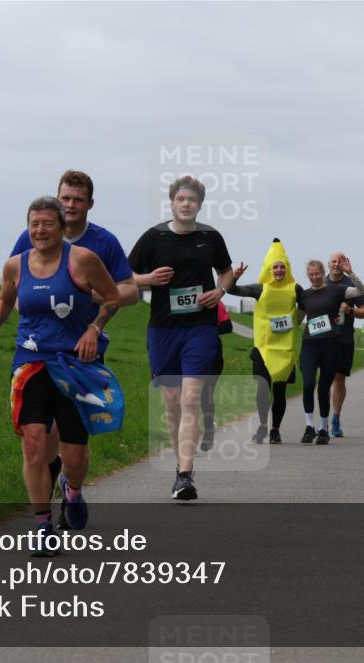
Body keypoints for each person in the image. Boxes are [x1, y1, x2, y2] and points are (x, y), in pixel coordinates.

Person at [0, 196, 122, 556]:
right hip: (30, 364)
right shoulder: (15, 265)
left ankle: (72, 490)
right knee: (33, 444)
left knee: (75, 456)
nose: (40, 230)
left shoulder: (82, 260)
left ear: (61, 227)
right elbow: (5, 298)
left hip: (72, 366)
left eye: (47, 223)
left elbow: (113, 297)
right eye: (34, 224)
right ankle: (43, 527)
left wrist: (93, 328)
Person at [10, 170, 138, 531]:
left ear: (90, 204)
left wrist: (84, 295)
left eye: (77, 200)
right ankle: (44, 517)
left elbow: (128, 291)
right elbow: (16, 284)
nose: (70, 205)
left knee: (72, 447)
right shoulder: (30, 237)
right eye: (65, 198)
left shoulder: (103, 243)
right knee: (40, 438)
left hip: (82, 353)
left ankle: (71, 487)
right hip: (37, 354)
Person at [128, 175, 233, 500]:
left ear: (199, 204)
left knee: (190, 399)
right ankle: (180, 466)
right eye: (181, 199)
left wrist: (220, 291)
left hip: (200, 328)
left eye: (192, 200)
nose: (186, 204)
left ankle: (186, 475)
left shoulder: (210, 237)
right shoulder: (154, 237)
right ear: (172, 203)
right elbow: (124, 275)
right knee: (172, 403)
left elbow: (226, 271)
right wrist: (148, 278)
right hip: (163, 329)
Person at [226, 239, 305, 445]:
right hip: (263, 348)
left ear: (287, 268)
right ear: (269, 269)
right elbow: (232, 290)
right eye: (275, 267)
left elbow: (309, 303)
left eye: (282, 267)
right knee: (262, 390)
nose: (278, 270)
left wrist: (300, 319)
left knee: (279, 392)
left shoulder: (295, 289)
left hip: (284, 350)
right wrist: (235, 277)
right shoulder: (260, 288)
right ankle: (262, 426)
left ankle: (275, 430)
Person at [298, 260, 361, 445]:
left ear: (322, 272)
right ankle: (309, 427)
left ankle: (323, 429)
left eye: (317, 273)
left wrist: (351, 273)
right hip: (310, 345)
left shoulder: (336, 290)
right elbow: (297, 319)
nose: (314, 277)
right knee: (308, 384)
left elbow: (361, 291)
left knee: (323, 388)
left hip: (331, 345)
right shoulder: (305, 295)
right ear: (307, 275)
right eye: (311, 274)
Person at [326, 252, 364, 437]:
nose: (337, 264)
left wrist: (350, 310)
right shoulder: (321, 283)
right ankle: (323, 419)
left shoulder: (351, 285)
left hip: (344, 338)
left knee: (339, 379)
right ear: (329, 264)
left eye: (340, 261)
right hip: (323, 338)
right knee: (325, 379)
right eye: (334, 261)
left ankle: (335, 418)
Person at [199, 301, 233, 451]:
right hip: (186, 352)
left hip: (211, 353)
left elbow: (227, 326)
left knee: (205, 393)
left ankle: (208, 429)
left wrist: (203, 331)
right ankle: (188, 437)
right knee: (188, 395)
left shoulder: (213, 301)